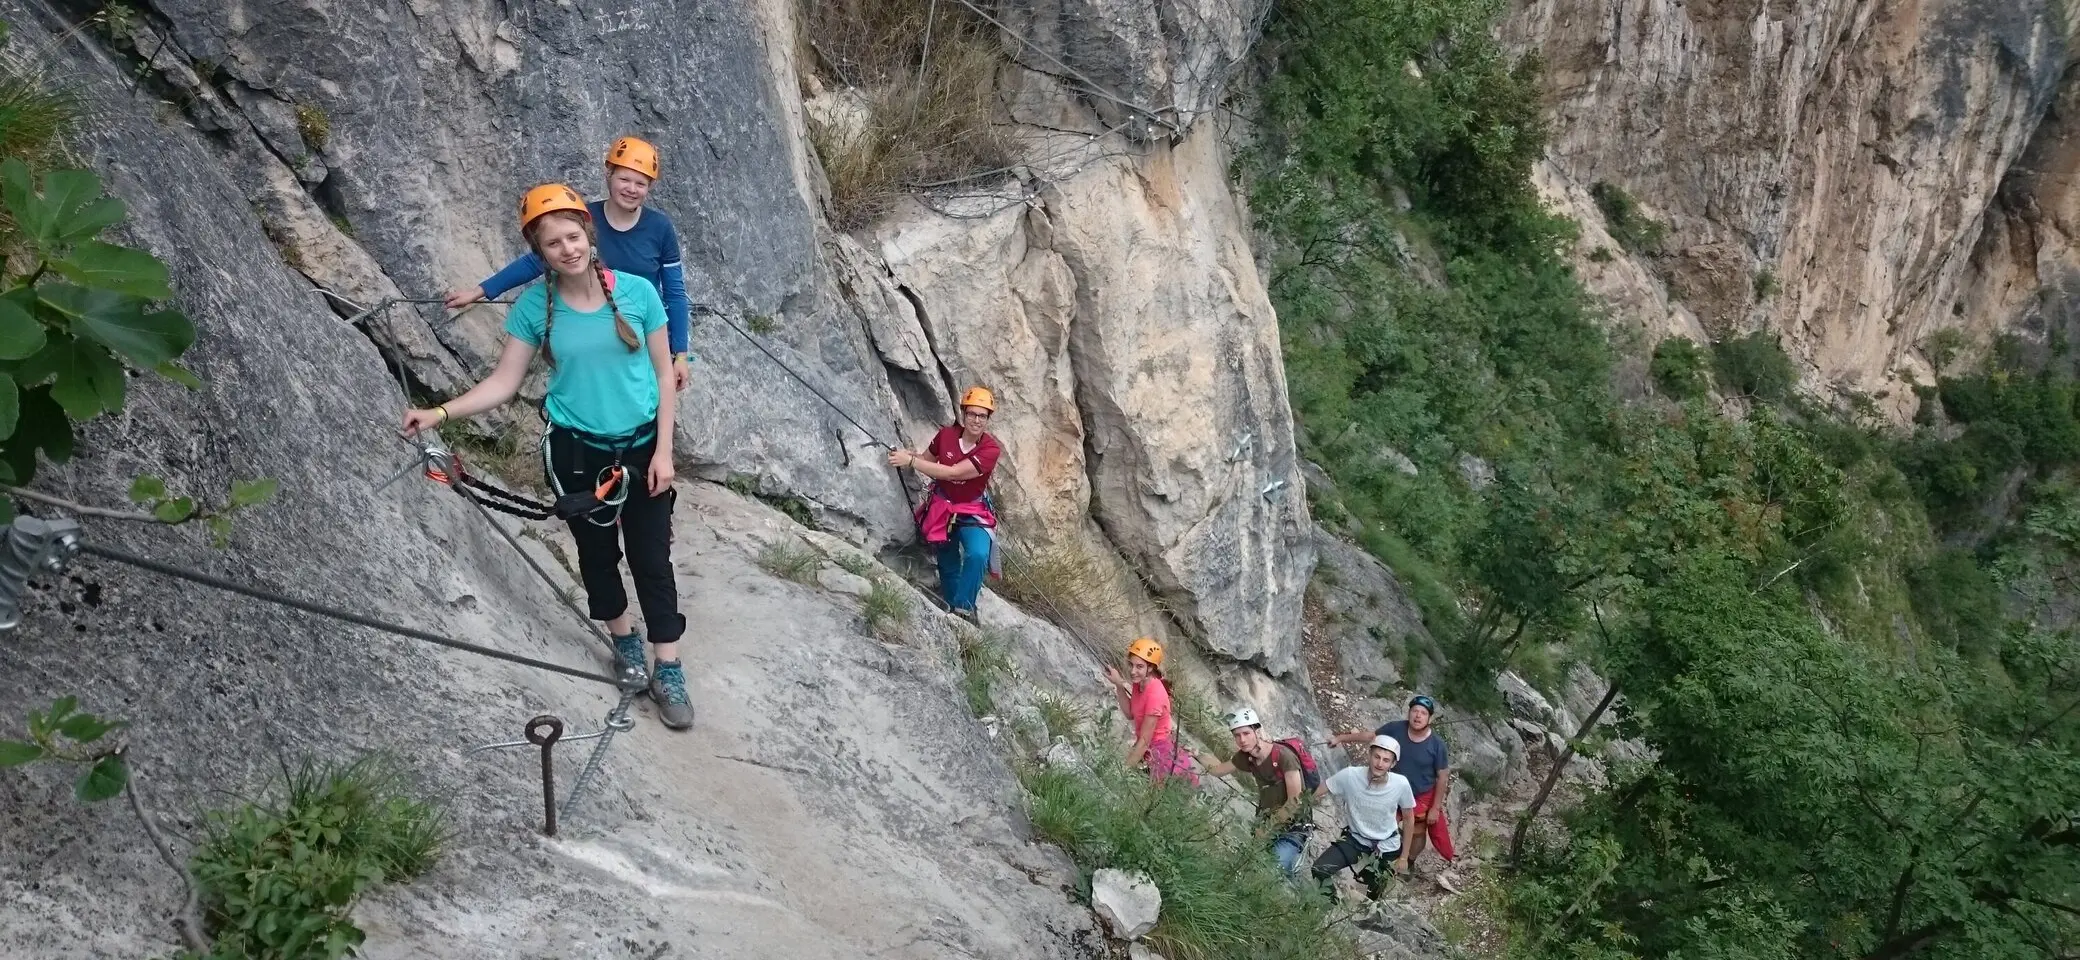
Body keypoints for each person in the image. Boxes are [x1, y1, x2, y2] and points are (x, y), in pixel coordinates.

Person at [406, 184, 693, 731]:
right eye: (553, 243)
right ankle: (624, 641)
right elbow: (504, 383)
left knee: (653, 560)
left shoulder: (636, 292)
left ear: (589, 233)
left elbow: (663, 375)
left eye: (573, 235)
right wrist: (439, 414)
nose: (567, 249)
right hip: (575, 450)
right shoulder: (536, 305)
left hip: (639, 447)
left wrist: (664, 452)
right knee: (598, 555)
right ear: (539, 254)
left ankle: (669, 665)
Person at [445, 136, 694, 393]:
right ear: (609, 175)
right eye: (624, 179)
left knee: (647, 406)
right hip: (591, 331)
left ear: (649, 187)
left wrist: (681, 354)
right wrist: (481, 291)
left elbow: (675, 294)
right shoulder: (583, 218)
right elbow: (538, 260)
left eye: (640, 183)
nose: (631, 188)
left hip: (644, 334)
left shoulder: (660, 228)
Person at [888, 387, 1001, 623]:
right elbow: (926, 460)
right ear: (963, 414)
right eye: (972, 414)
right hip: (942, 508)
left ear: (988, 419)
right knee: (948, 563)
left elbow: (951, 473)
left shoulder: (990, 450)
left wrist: (911, 461)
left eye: (982, 416)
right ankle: (953, 612)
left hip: (971, 510)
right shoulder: (946, 436)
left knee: (978, 554)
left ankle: (963, 609)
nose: (976, 420)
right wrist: (908, 457)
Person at [1331, 694, 1455, 883]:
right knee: (1384, 824)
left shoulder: (1437, 745)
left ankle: (1409, 861)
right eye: (1414, 711)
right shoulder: (1396, 729)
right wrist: (1341, 738)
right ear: (1409, 713)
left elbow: (1442, 776)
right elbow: (1372, 737)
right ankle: (1375, 860)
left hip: (1421, 794)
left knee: (1417, 831)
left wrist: (1435, 807)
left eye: (1423, 713)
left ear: (1429, 718)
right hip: (1391, 789)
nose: (1418, 716)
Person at [1193, 706, 1310, 878]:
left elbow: (1294, 802)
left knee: (1274, 871)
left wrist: (1267, 828)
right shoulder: (1246, 756)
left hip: (1292, 828)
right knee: (1254, 869)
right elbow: (1218, 769)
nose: (1242, 740)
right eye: (1237, 735)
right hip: (1265, 822)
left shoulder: (1284, 757)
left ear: (1257, 730)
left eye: (1246, 733)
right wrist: (1197, 753)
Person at [1310, 735, 1416, 902]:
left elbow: (1409, 819)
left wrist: (1404, 857)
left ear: (1393, 764)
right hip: (1355, 839)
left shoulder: (1400, 784)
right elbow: (1321, 790)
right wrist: (1299, 803)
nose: (1380, 764)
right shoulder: (1350, 776)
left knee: (1374, 893)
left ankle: (1370, 918)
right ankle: (1331, 907)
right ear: (1369, 755)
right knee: (1320, 869)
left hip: (1386, 846)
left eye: (1386, 760)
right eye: (1377, 757)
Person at [1103, 636, 1196, 784]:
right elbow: (1129, 714)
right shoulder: (1139, 683)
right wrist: (1119, 685)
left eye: (1139, 666)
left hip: (1162, 757)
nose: (1133, 671)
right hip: (1149, 752)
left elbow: (1145, 741)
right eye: (1131, 665)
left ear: (1150, 668)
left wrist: (1121, 773)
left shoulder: (1155, 695)